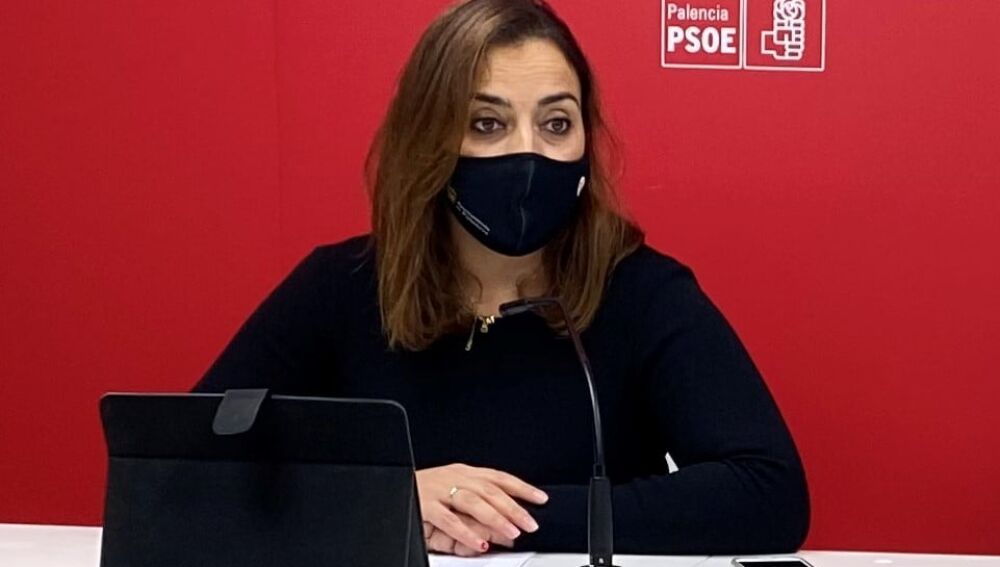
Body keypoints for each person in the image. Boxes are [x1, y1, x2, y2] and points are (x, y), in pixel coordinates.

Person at [192, 0, 810, 557]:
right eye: (487, 124)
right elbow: (182, 467)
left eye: (556, 123)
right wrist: (384, 497)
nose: (528, 153)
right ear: (429, 139)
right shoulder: (342, 286)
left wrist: (501, 519)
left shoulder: (641, 291)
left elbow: (768, 492)